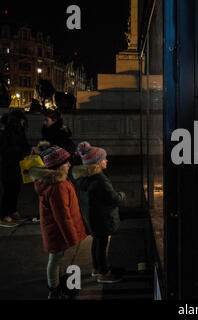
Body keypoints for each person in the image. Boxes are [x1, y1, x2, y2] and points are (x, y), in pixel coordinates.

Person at [27, 144, 88, 299]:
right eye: (65, 163)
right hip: (57, 230)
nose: (69, 164)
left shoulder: (55, 182)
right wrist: (72, 236)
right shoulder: (58, 187)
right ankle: (54, 289)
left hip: (54, 230)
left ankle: (58, 284)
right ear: (57, 166)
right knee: (54, 259)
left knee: (57, 257)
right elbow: (63, 216)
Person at [72, 142, 125, 284]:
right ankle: (103, 273)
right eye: (104, 159)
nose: (106, 161)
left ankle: (97, 268)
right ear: (97, 162)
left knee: (97, 241)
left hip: (92, 217)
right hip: (102, 217)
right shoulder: (100, 179)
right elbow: (113, 198)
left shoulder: (84, 177)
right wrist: (121, 195)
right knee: (101, 244)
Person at [0, 110, 32, 227]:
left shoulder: (20, 132)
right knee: (8, 190)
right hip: (8, 166)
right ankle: (3, 215)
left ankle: (13, 211)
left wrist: (28, 149)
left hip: (17, 165)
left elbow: (24, 144)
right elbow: (5, 151)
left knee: (16, 189)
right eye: (21, 120)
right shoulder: (6, 133)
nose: (23, 122)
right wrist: (21, 151)